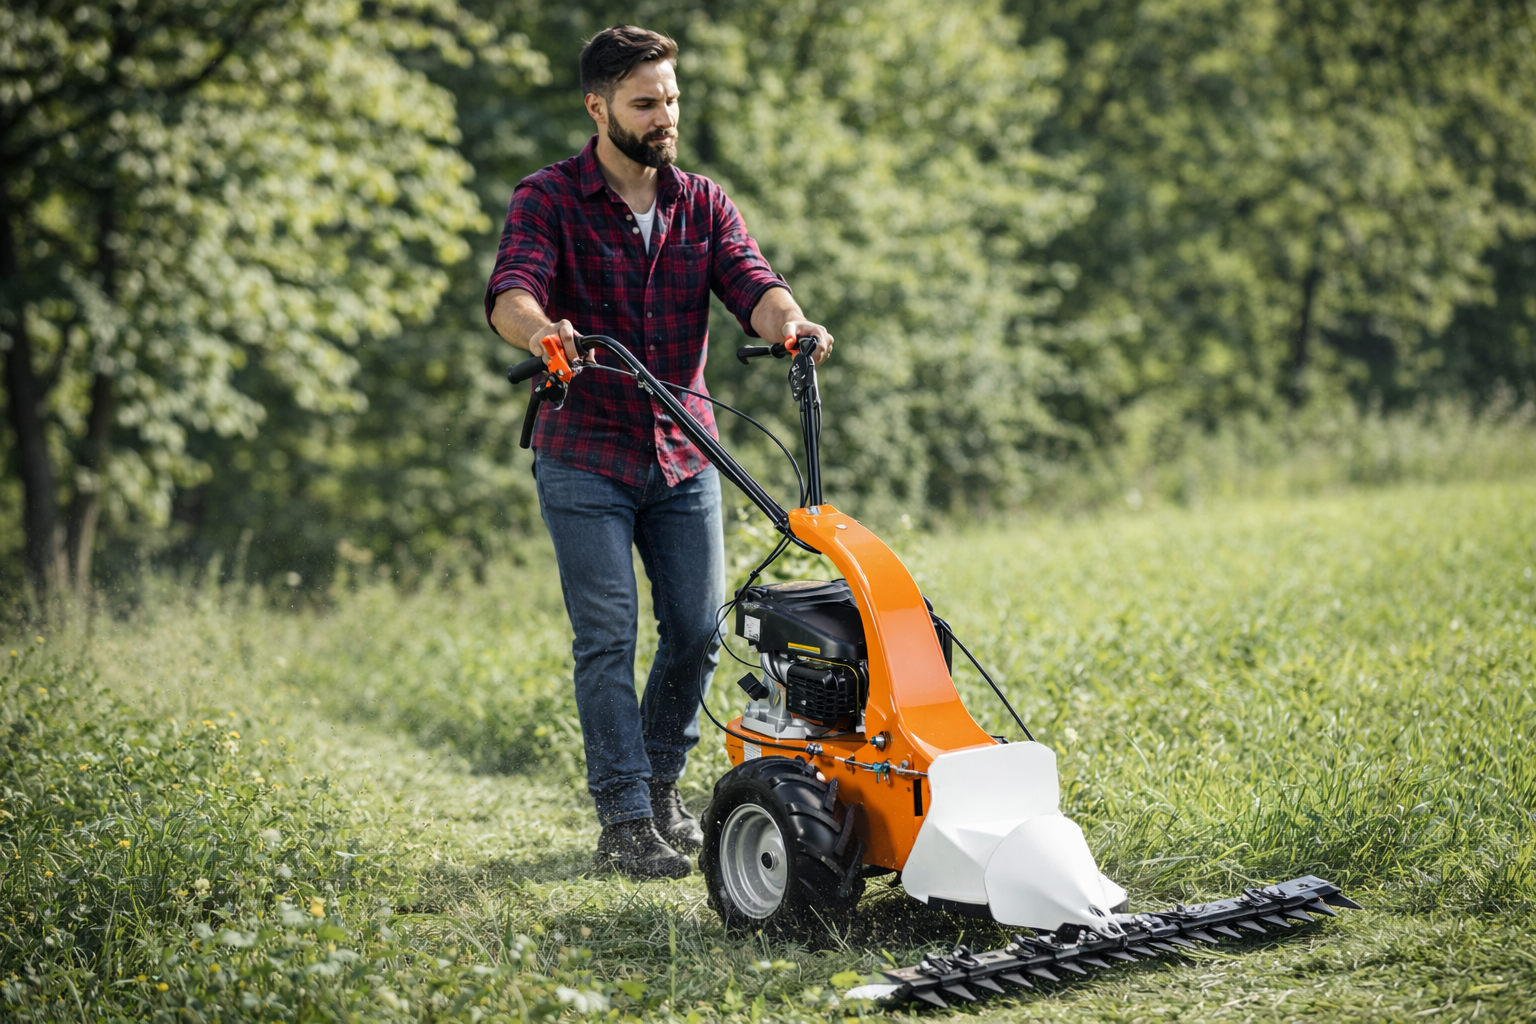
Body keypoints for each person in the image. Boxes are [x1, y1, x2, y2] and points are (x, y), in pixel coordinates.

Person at [484, 25, 834, 880]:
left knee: (694, 633)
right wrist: (543, 335)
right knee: (606, 637)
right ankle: (624, 818)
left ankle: (663, 788)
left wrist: (789, 326)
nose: (665, 115)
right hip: (584, 454)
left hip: (683, 454)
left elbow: (752, 281)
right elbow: (512, 290)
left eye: (672, 98)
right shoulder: (549, 198)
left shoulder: (701, 202)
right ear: (599, 106)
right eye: (647, 102)